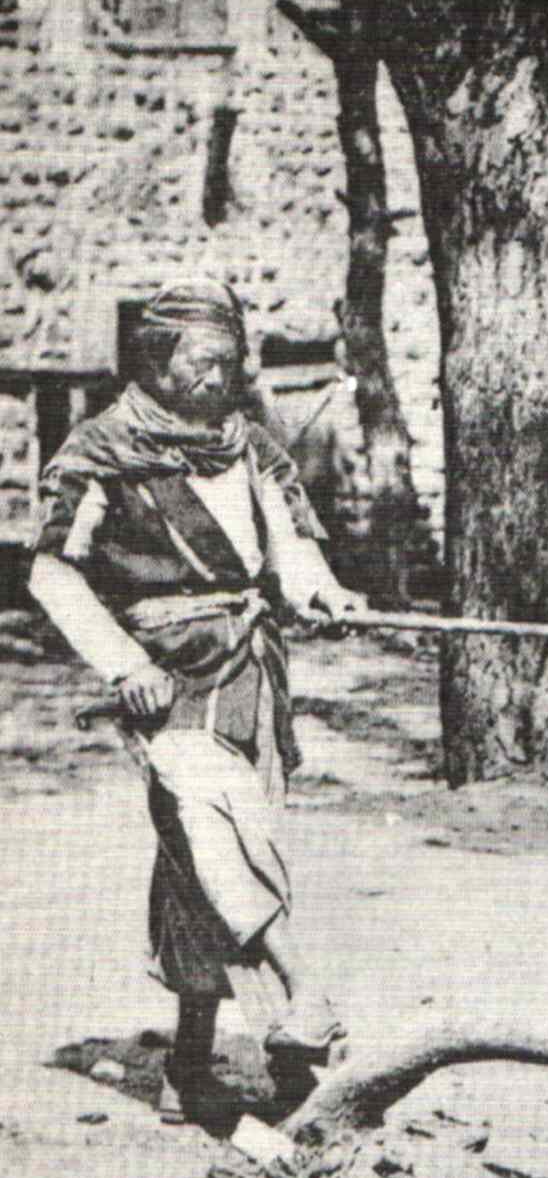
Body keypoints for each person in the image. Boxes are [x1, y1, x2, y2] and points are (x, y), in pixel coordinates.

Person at [27, 278, 369, 1124]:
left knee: (201, 864)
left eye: (233, 362)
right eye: (208, 363)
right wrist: (120, 661)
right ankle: (302, 991)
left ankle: (196, 1064)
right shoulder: (101, 450)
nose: (225, 377)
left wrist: (324, 592)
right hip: (166, 681)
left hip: (249, 672)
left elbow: (288, 546)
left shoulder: (246, 442)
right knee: (216, 834)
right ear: (159, 361)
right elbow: (51, 570)